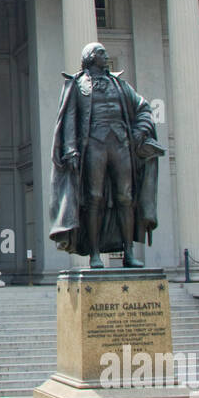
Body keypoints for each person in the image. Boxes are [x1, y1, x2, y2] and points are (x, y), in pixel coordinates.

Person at [49, 42, 163, 267]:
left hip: (121, 144)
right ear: (90, 57)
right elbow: (69, 119)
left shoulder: (119, 85)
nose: (106, 56)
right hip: (94, 145)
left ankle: (128, 253)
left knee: (126, 197)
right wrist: (70, 149)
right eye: (101, 53)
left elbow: (143, 108)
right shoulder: (77, 85)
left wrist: (139, 132)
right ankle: (94, 254)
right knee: (94, 199)